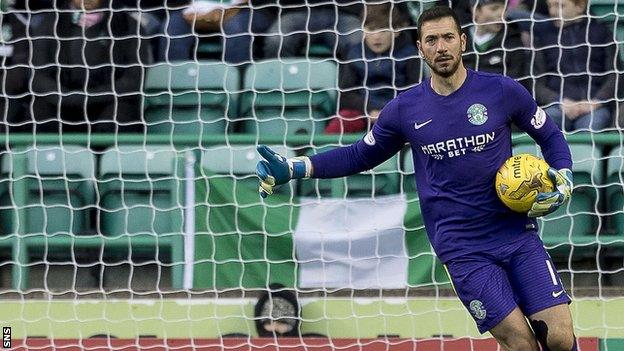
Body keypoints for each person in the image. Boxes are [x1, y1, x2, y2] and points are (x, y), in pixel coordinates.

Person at [256, 6, 577, 351]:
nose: (441, 47)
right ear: (421, 48)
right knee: (521, 341)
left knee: (558, 337)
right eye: (432, 40)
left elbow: (550, 135)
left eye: (448, 37)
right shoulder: (405, 110)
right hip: (462, 247)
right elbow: (359, 155)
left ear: (463, 42)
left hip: (515, 233)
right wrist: (295, 167)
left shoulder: (501, 91)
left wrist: (564, 175)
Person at [30, 0, 149, 133]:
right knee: (39, 114)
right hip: (61, 103)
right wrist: (66, 97)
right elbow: (37, 78)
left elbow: (133, 81)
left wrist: (90, 97)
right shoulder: (48, 24)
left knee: (119, 118)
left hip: (109, 103)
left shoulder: (128, 26)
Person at [325, 4, 420, 134]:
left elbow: (415, 92)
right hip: (364, 112)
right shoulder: (355, 53)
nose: (376, 36)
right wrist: (369, 109)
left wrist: (387, 111)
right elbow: (346, 95)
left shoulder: (410, 54)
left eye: (383, 30)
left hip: (398, 112)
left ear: (397, 30)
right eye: (370, 29)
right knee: (340, 122)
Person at [533, 0, 616, 132]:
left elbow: (615, 75)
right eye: (550, 6)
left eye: (560, 6)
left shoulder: (601, 32)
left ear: (580, 6)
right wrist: (559, 101)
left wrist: (596, 101)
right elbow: (536, 83)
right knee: (544, 124)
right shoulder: (543, 37)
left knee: (591, 126)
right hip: (557, 107)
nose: (553, 12)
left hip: (595, 106)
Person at [462, 0, 530, 89]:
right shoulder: (458, 39)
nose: (501, 15)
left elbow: (516, 85)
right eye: (494, 8)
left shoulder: (513, 42)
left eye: (504, 9)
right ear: (476, 10)